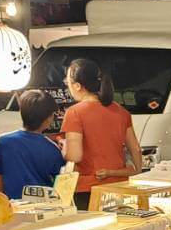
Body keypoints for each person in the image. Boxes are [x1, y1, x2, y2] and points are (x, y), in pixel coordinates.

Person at [60, 58, 141, 209]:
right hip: (119, 187)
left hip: (88, 190)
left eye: (67, 83)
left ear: (77, 86)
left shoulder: (74, 113)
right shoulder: (121, 111)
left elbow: (75, 156)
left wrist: (64, 147)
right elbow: (135, 149)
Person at [0, 90, 65, 199]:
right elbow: (60, 185)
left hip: (11, 206)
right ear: (49, 118)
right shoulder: (53, 149)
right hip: (43, 207)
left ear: (21, 112)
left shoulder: (3, 142)